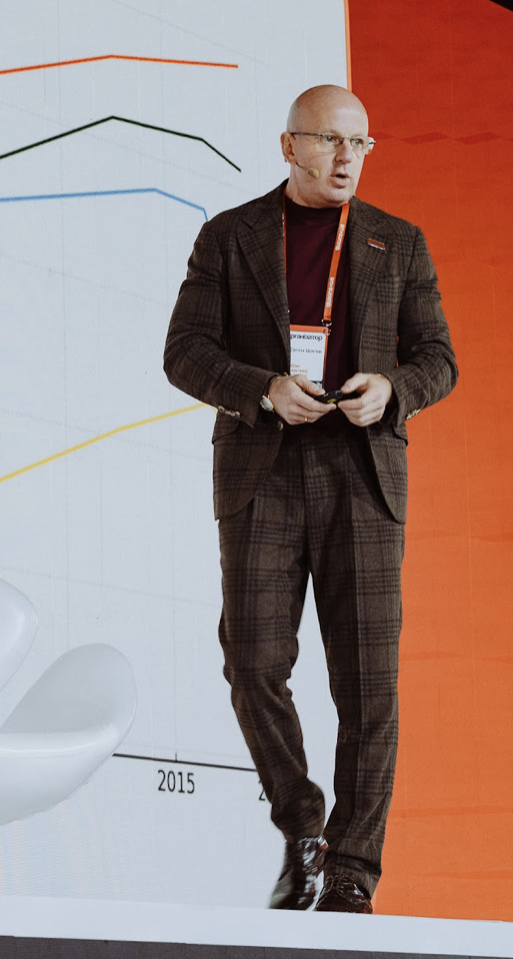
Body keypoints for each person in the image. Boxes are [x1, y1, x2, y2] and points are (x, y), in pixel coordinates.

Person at [162, 84, 457, 913]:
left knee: (368, 684)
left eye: (360, 144)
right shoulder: (230, 237)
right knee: (253, 661)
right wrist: (261, 389)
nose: (346, 158)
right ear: (289, 145)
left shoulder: (399, 242)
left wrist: (391, 391)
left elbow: (438, 358)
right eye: (330, 141)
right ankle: (303, 829)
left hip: (362, 475)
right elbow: (184, 352)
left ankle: (354, 869)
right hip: (263, 470)